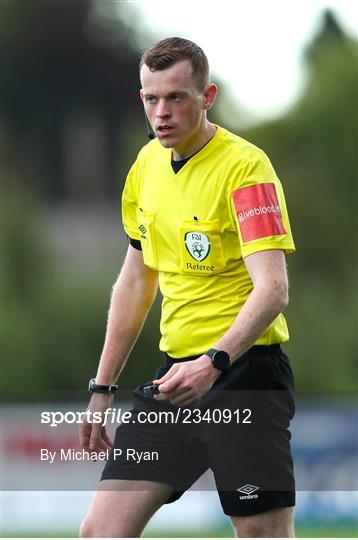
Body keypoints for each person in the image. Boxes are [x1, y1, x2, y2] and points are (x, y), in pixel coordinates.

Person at [79, 37, 296, 538]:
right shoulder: (145, 168)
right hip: (174, 382)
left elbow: (273, 290)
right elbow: (135, 282)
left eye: (176, 97)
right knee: (101, 532)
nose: (162, 112)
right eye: (151, 98)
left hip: (244, 377)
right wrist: (102, 388)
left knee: (260, 534)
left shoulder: (245, 168)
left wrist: (214, 362)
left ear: (207, 96)